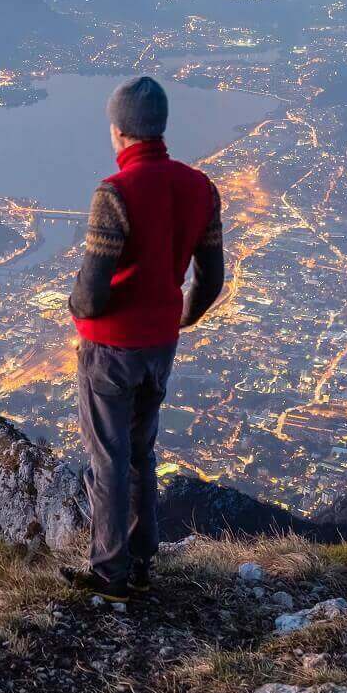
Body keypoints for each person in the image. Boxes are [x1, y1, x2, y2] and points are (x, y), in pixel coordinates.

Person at [60, 75, 225, 600]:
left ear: (119, 131)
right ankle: (142, 558)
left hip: (110, 348)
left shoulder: (116, 193)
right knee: (139, 452)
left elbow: (90, 288)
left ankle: (110, 573)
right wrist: (182, 318)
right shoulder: (201, 188)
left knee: (107, 456)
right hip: (160, 344)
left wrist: (77, 310)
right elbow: (211, 278)